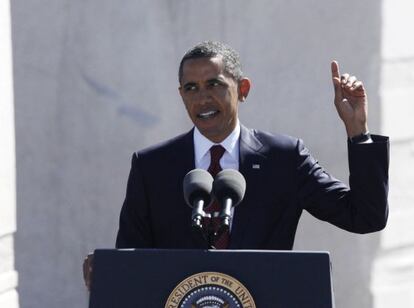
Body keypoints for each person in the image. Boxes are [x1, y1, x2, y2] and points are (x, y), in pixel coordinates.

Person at [83, 41, 389, 289]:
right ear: (181, 96)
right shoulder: (152, 166)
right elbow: (132, 259)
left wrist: (357, 132)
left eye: (214, 84)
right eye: (191, 88)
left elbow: (365, 216)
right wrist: (108, 275)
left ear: (243, 89)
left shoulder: (283, 158)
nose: (202, 99)